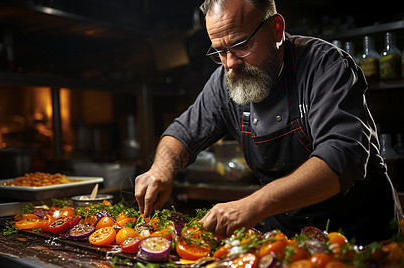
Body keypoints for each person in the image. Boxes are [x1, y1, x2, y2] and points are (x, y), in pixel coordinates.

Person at [135, 0, 399, 245]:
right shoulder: (224, 81)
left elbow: (341, 157)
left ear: (276, 29)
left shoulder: (326, 66)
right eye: (220, 51)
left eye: (241, 45)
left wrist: (254, 204)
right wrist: (161, 169)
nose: (230, 64)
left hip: (358, 239)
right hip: (285, 244)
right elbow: (182, 133)